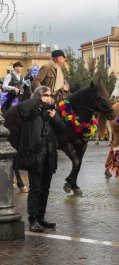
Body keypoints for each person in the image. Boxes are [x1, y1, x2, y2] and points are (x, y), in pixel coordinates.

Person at [16, 86, 66, 232]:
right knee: (35, 189)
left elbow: (62, 128)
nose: (49, 97)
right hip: (34, 156)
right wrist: (38, 100)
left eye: (50, 94)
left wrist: (54, 116)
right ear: (38, 96)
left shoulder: (50, 110)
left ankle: (41, 217)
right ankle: (33, 220)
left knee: (45, 189)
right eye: (45, 95)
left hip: (49, 156)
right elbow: (20, 108)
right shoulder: (30, 111)